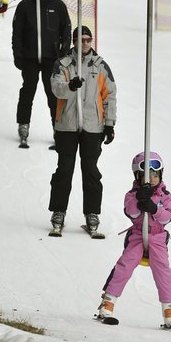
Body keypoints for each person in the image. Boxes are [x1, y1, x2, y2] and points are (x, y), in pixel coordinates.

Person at [95, 151, 171, 332]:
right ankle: (108, 303)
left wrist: (153, 208)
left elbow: (167, 218)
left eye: (155, 175)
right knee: (124, 266)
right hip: (137, 234)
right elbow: (133, 214)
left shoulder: (166, 196)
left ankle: (169, 311)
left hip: (157, 237)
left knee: (163, 271)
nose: (151, 179)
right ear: (137, 176)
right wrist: (139, 199)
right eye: (146, 175)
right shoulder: (131, 194)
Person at [48, 26, 117, 235]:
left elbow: (110, 95)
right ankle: (58, 211)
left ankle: (92, 213)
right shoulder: (63, 64)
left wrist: (109, 123)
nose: (85, 43)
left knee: (91, 171)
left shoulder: (101, 66)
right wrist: (70, 86)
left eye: (88, 40)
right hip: (67, 125)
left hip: (92, 126)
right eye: (81, 40)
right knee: (64, 170)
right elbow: (56, 88)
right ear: (74, 41)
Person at [12, 0, 71, 145]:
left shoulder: (58, 6)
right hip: (30, 58)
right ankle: (23, 124)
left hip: (51, 59)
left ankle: (57, 128)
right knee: (27, 91)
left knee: (54, 94)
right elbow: (17, 34)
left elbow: (66, 31)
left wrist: (64, 54)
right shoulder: (25, 6)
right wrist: (18, 55)